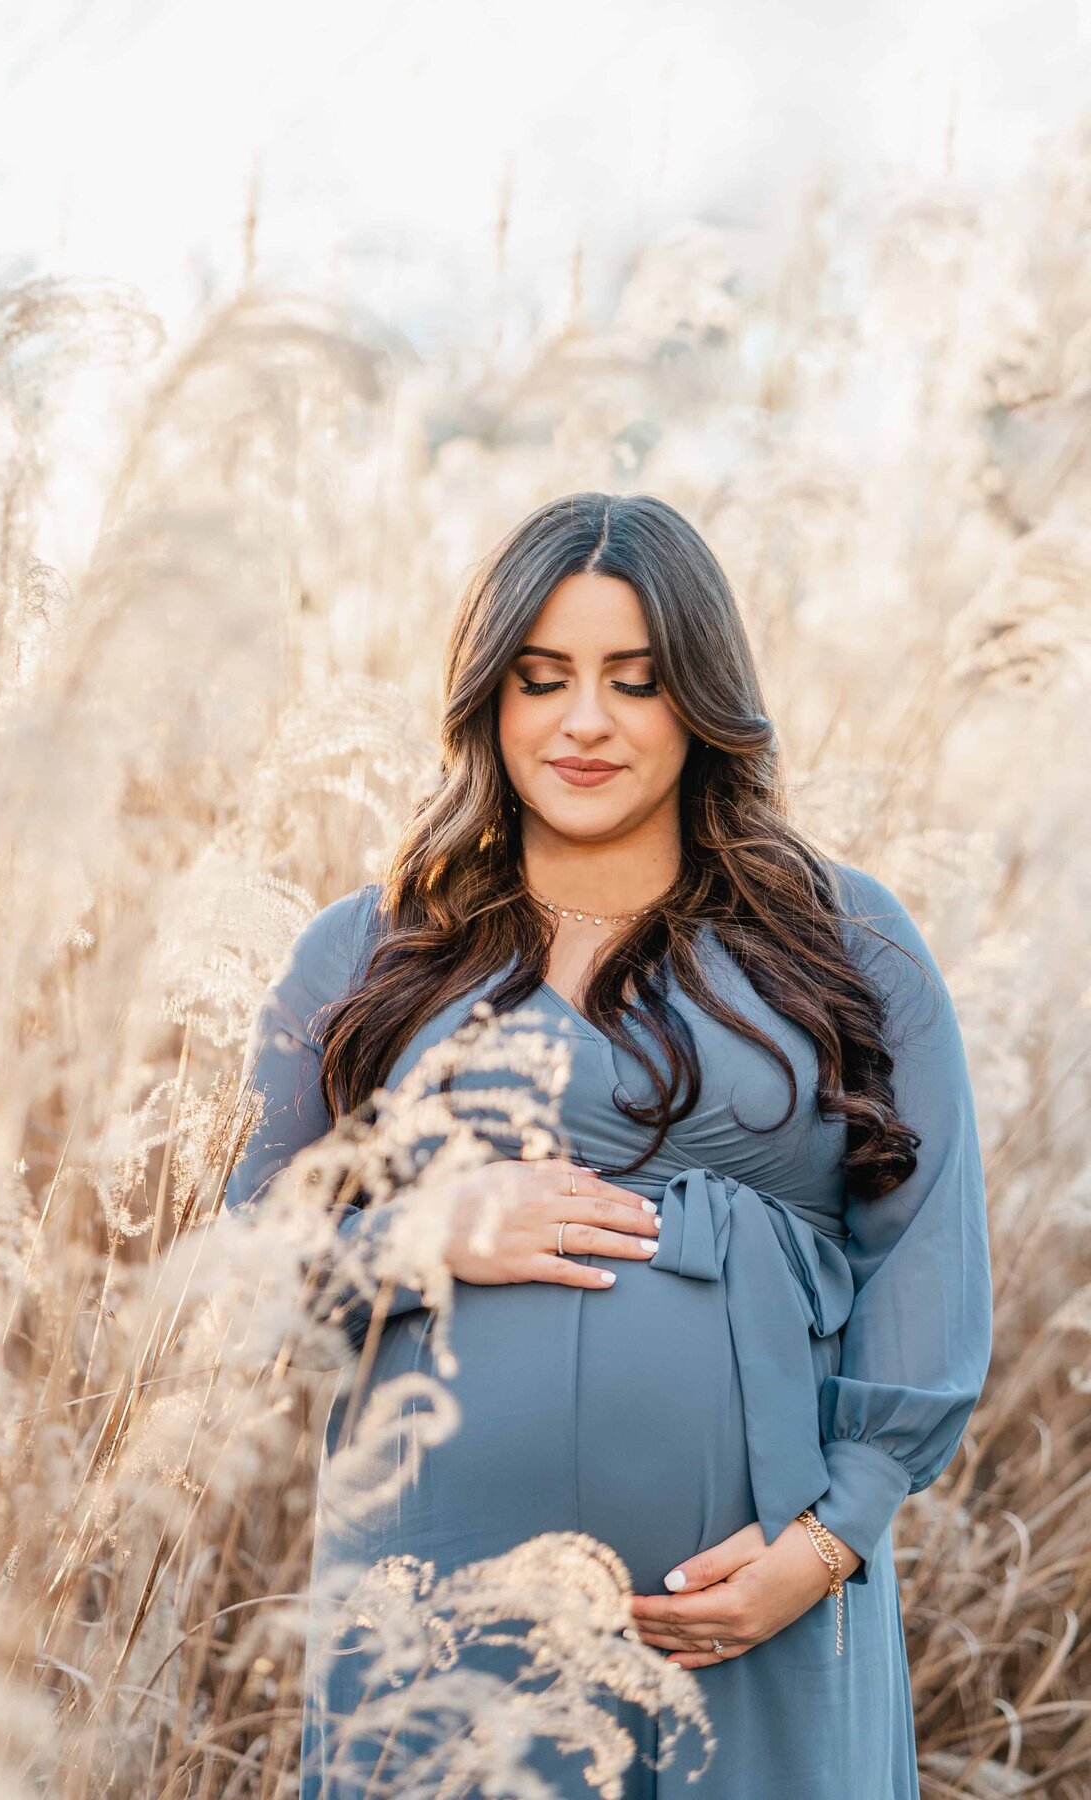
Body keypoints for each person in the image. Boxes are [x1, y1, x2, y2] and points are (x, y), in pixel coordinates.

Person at [223, 491, 994, 1799]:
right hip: (435, 1608)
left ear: (702, 702)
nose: (584, 722)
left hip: (753, 1604)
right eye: (543, 680)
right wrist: (421, 1233)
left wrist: (824, 1544)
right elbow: (244, 1268)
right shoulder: (368, 951)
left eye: (635, 682)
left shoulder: (844, 942)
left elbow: (926, 1259)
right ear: (490, 702)